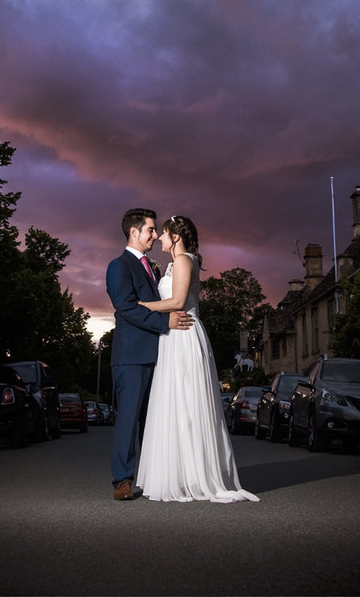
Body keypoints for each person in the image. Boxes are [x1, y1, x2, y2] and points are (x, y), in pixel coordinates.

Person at [134, 215, 258, 503]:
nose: (160, 239)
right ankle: (176, 472)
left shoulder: (184, 261)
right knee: (173, 403)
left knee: (188, 403)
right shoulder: (175, 263)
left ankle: (195, 474)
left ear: (175, 237)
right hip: (172, 336)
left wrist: (142, 305)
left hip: (184, 336)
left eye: (163, 234)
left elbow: (178, 302)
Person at [106, 208, 193, 501]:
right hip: (131, 356)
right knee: (129, 420)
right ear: (134, 232)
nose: (155, 236)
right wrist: (164, 322)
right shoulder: (118, 266)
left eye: (156, 231)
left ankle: (154, 477)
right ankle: (122, 480)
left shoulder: (152, 267)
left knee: (154, 421)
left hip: (160, 355)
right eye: (150, 230)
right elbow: (126, 307)